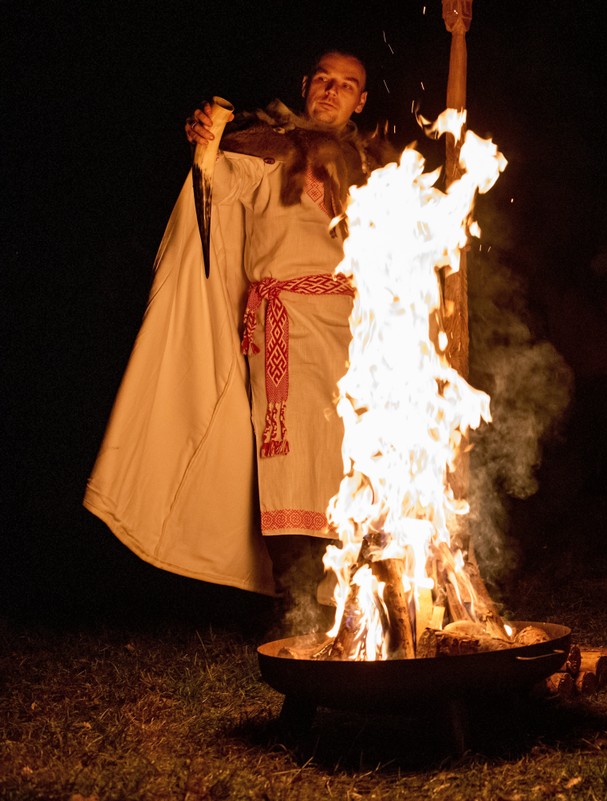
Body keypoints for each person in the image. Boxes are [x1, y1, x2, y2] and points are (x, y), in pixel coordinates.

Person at [85, 50, 386, 633]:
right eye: (324, 79)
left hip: (358, 334)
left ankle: (348, 605)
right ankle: (297, 615)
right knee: (291, 464)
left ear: (361, 100)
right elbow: (218, 182)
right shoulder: (267, 150)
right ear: (305, 84)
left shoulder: (375, 168)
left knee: (354, 465)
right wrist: (208, 141)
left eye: (347, 85)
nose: (332, 91)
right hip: (286, 329)